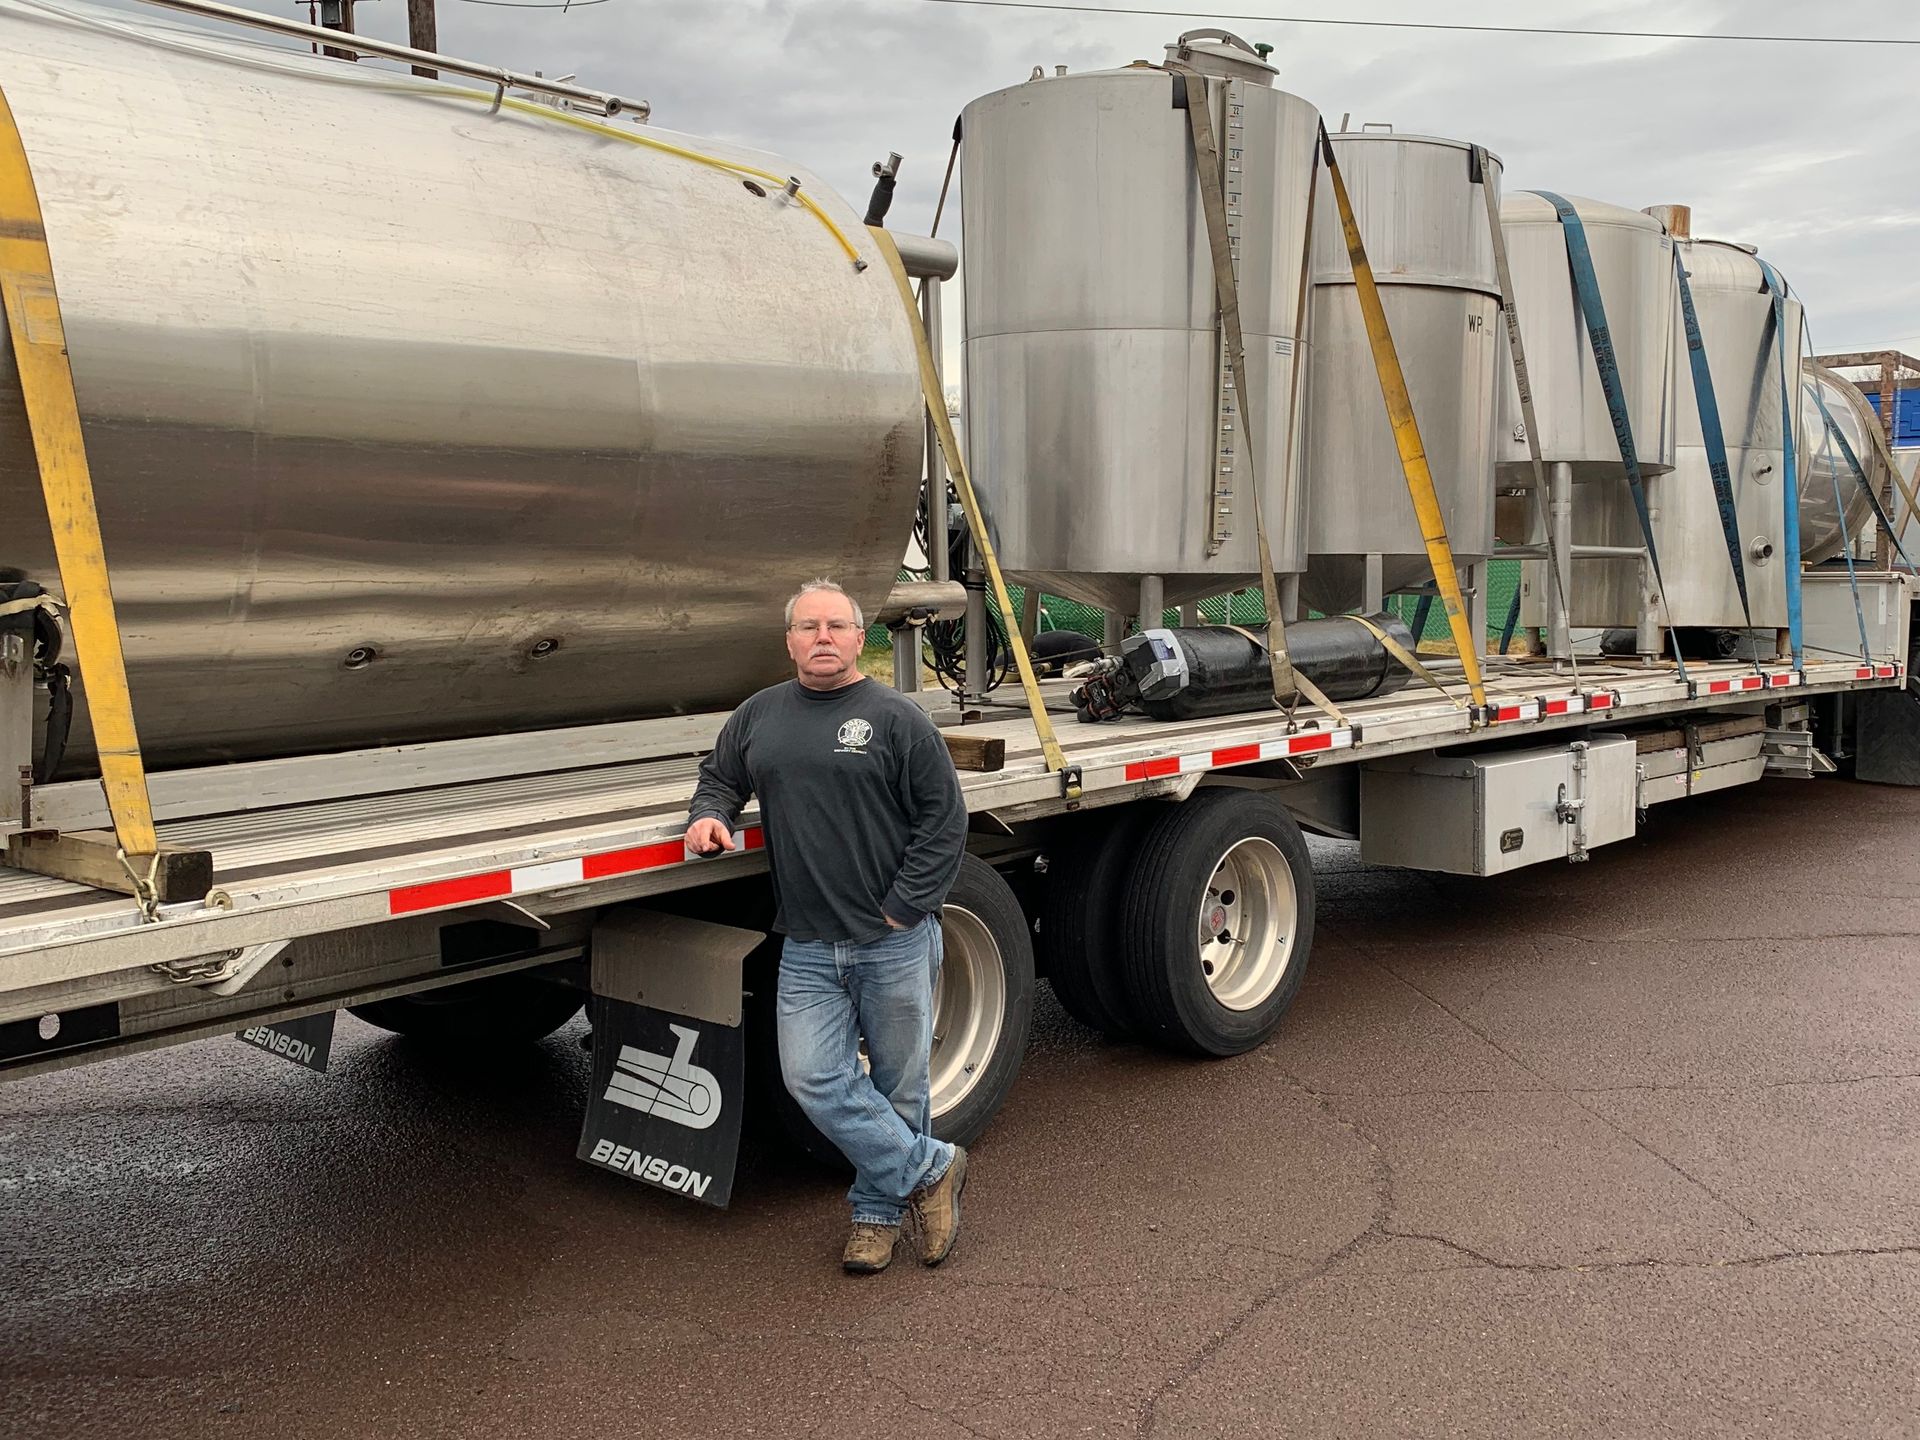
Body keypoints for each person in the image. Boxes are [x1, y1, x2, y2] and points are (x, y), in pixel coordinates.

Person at [686, 578, 969, 1274]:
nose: (822, 637)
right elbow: (720, 776)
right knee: (812, 1077)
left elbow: (944, 819)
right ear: (789, 641)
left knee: (901, 1085)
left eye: (836, 626)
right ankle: (931, 1169)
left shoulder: (897, 718)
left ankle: (875, 1218)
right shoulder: (759, 715)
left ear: (858, 639)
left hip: (892, 941)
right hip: (807, 943)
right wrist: (709, 814)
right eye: (808, 626)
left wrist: (903, 907)